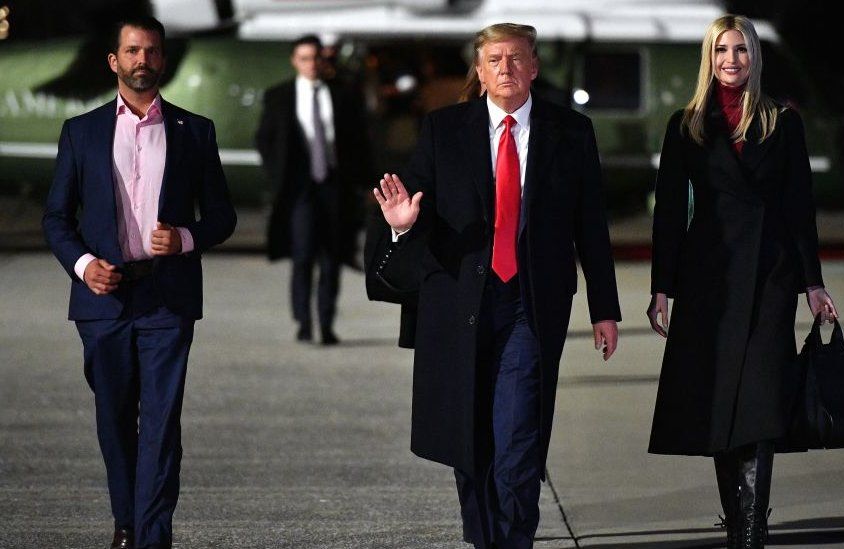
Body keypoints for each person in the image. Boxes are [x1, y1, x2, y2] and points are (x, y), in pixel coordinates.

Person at [371, 23, 621, 549]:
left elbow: (590, 226)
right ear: (479, 72)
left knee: (518, 441)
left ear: (533, 67)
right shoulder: (443, 130)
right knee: (471, 442)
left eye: (516, 58)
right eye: (494, 60)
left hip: (529, 305)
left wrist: (605, 307)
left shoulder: (570, 132)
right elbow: (414, 217)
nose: (505, 68)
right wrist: (401, 224)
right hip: (459, 306)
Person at [42, 16, 236, 549]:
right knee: (114, 419)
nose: (142, 61)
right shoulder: (80, 132)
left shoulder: (195, 131)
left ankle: (152, 536)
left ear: (163, 61)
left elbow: (221, 216)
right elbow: (56, 218)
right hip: (101, 298)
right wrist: (84, 265)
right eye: (132, 51)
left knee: (161, 422)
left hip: (166, 299)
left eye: (151, 52)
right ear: (114, 61)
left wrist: (185, 239)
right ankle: (126, 523)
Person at [645, 14, 838, 549]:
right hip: (708, 278)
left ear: (756, 58)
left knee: (757, 398)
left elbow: (801, 207)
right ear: (709, 58)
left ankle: (751, 530)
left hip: (770, 275)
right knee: (716, 399)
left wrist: (812, 282)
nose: (732, 60)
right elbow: (668, 213)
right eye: (722, 51)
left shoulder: (782, 121)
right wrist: (662, 286)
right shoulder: (685, 124)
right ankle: (737, 523)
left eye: (742, 51)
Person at [256, 35, 373, 345]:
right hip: (300, 188)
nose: (311, 64)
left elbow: (359, 142)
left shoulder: (343, 96)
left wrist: (364, 183)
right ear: (295, 61)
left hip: (335, 186)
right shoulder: (279, 96)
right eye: (305, 58)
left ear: (324, 61)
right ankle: (304, 322)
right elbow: (265, 139)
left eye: (316, 58)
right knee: (303, 255)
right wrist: (277, 176)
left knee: (332, 257)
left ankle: (326, 321)